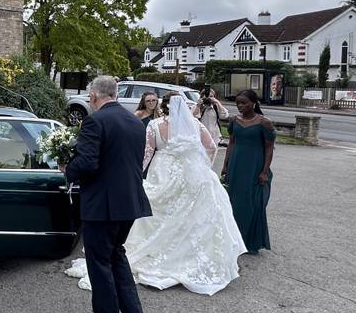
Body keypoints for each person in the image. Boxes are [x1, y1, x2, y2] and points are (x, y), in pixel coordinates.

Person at [67, 93, 247, 295]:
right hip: (192, 175)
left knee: (160, 212)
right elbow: (211, 146)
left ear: (163, 107)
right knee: (188, 216)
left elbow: (146, 154)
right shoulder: (195, 124)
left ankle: (154, 254)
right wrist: (203, 166)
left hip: (163, 172)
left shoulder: (154, 125)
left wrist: (138, 177)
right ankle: (184, 255)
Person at [63, 76, 150, 313]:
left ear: (93, 95)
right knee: (116, 254)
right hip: (130, 201)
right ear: (116, 94)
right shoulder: (135, 122)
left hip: (103, 204)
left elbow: (88, 163)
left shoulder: (95, 121)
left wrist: (68, 169)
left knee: (99, 261)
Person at [222, 89, 276, 254]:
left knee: (251, 203)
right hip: (236, 165)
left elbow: (269, 148)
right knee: (233, 202)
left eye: (244, 103)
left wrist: (264, 171)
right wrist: (225, 165)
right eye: (238, 103)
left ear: (254, 103)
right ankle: (233, 240)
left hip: (254, 167)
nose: (240, 106)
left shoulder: (264, 122)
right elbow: (231, 143)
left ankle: (249, 241)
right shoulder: (234, 121)